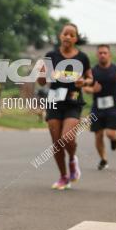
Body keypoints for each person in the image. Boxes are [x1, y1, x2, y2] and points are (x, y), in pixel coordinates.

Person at [36, 23, 92, 189]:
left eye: (71, 34)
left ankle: (73, 160)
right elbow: (41, 82)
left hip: (73, 101)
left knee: (67, 137)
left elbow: (90, 78)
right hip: (54, 100)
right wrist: (42, 73)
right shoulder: (51, 55)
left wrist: (84, 82)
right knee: (56, 141)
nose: (68, 37)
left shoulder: (82, 57)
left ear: (76, 38)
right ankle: (63, 176)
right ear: (60, 36)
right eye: (65, 34)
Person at [83, 44, 116, 170]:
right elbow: (85, 88)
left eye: (105, 52)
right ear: (97, 55)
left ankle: (114, 139)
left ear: (109, 55)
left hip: (113, 107)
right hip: (97, 107)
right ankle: (103, 159)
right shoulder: (93, 72)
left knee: (109, 134)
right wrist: (92, 89)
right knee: (98, 135)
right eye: (100, 53)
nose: (102, 55)